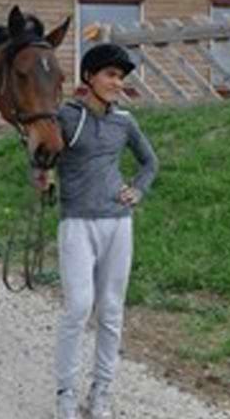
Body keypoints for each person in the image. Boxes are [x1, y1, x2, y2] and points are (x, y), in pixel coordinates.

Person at [54, 43, 158, 419]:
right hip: (77, 222)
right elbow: (39, 149)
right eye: (111, 75)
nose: (118, 83)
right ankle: (65, 393)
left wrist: (139, 189)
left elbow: (150, 162)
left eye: (121, 77)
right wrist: (41, 174)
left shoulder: (125, 121)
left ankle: (101, 392)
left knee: (112, 311)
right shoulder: (66, 116)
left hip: (118, 222)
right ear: (89, 77)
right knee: (78, 308)